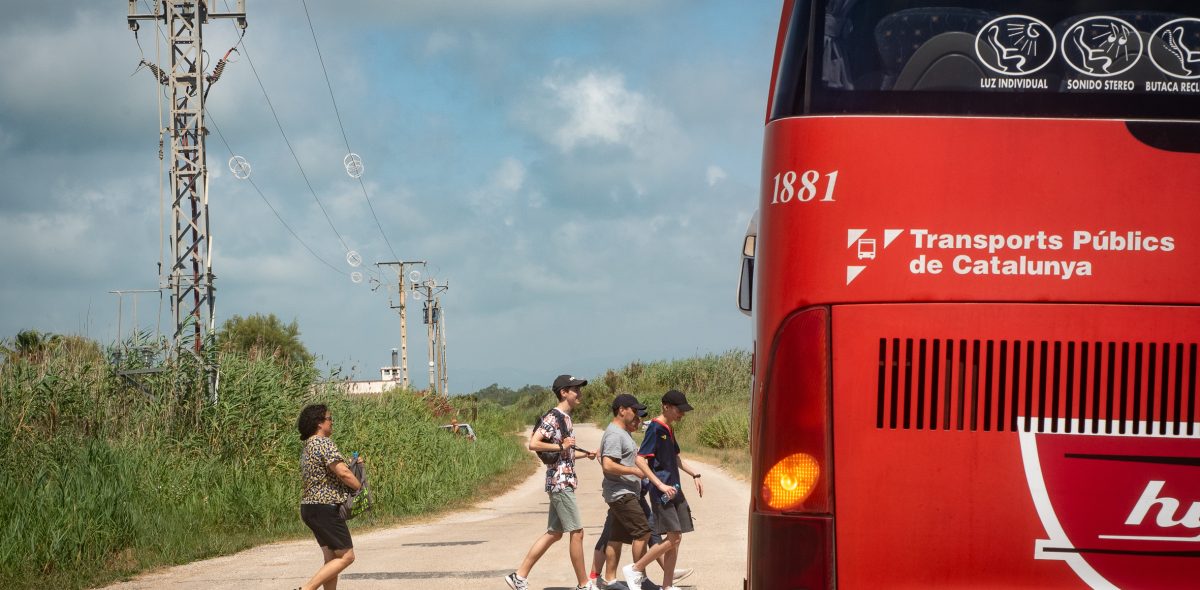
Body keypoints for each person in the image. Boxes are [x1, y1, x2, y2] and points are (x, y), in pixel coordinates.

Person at [505, 375, 599, 590]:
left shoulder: (565, 417)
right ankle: (584, 584)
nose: (579, 393)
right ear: (564, 392)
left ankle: (519, 577)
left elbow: (565, 453)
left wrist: (586, 455)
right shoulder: (554, 416)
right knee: (577, 532)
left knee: (555, 533)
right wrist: (561, 447)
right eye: (575, 389)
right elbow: (534, 443)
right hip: (560, 483)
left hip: (562, 480)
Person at [599, 394, 679, 589]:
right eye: (634, 411)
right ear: (621, 410)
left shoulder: (621, 433)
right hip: (621, 493)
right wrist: (634, 470)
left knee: (616, 537)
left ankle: (610, 580)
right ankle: (639, 578)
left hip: (627, 491)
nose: (636, 415)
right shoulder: (614, 434)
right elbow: (607, 465)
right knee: (643, 532)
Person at [637, 390, 703, 590]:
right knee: (673, 537)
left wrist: (695, 474)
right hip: (663, 493)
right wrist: (659, 485)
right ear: (666, 406)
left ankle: (667, 585)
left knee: (677, 539)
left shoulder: (669, 429)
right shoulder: (655, 429)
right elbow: (640, 460)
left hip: (675, 490)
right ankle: (635, 568)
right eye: (679, 410)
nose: (681, 414)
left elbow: (675, 458)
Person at [295, 404, 364, 590]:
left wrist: (352, 465)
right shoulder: (324, 443)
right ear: (319, 423)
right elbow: (342, 473)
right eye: (329, 418)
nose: (332, 422)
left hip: (310, 508)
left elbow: (330, 472)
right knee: (347, 556)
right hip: (325, 508)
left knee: (331, 559)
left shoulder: (309, 445)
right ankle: (307, 589)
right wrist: (360, 487)